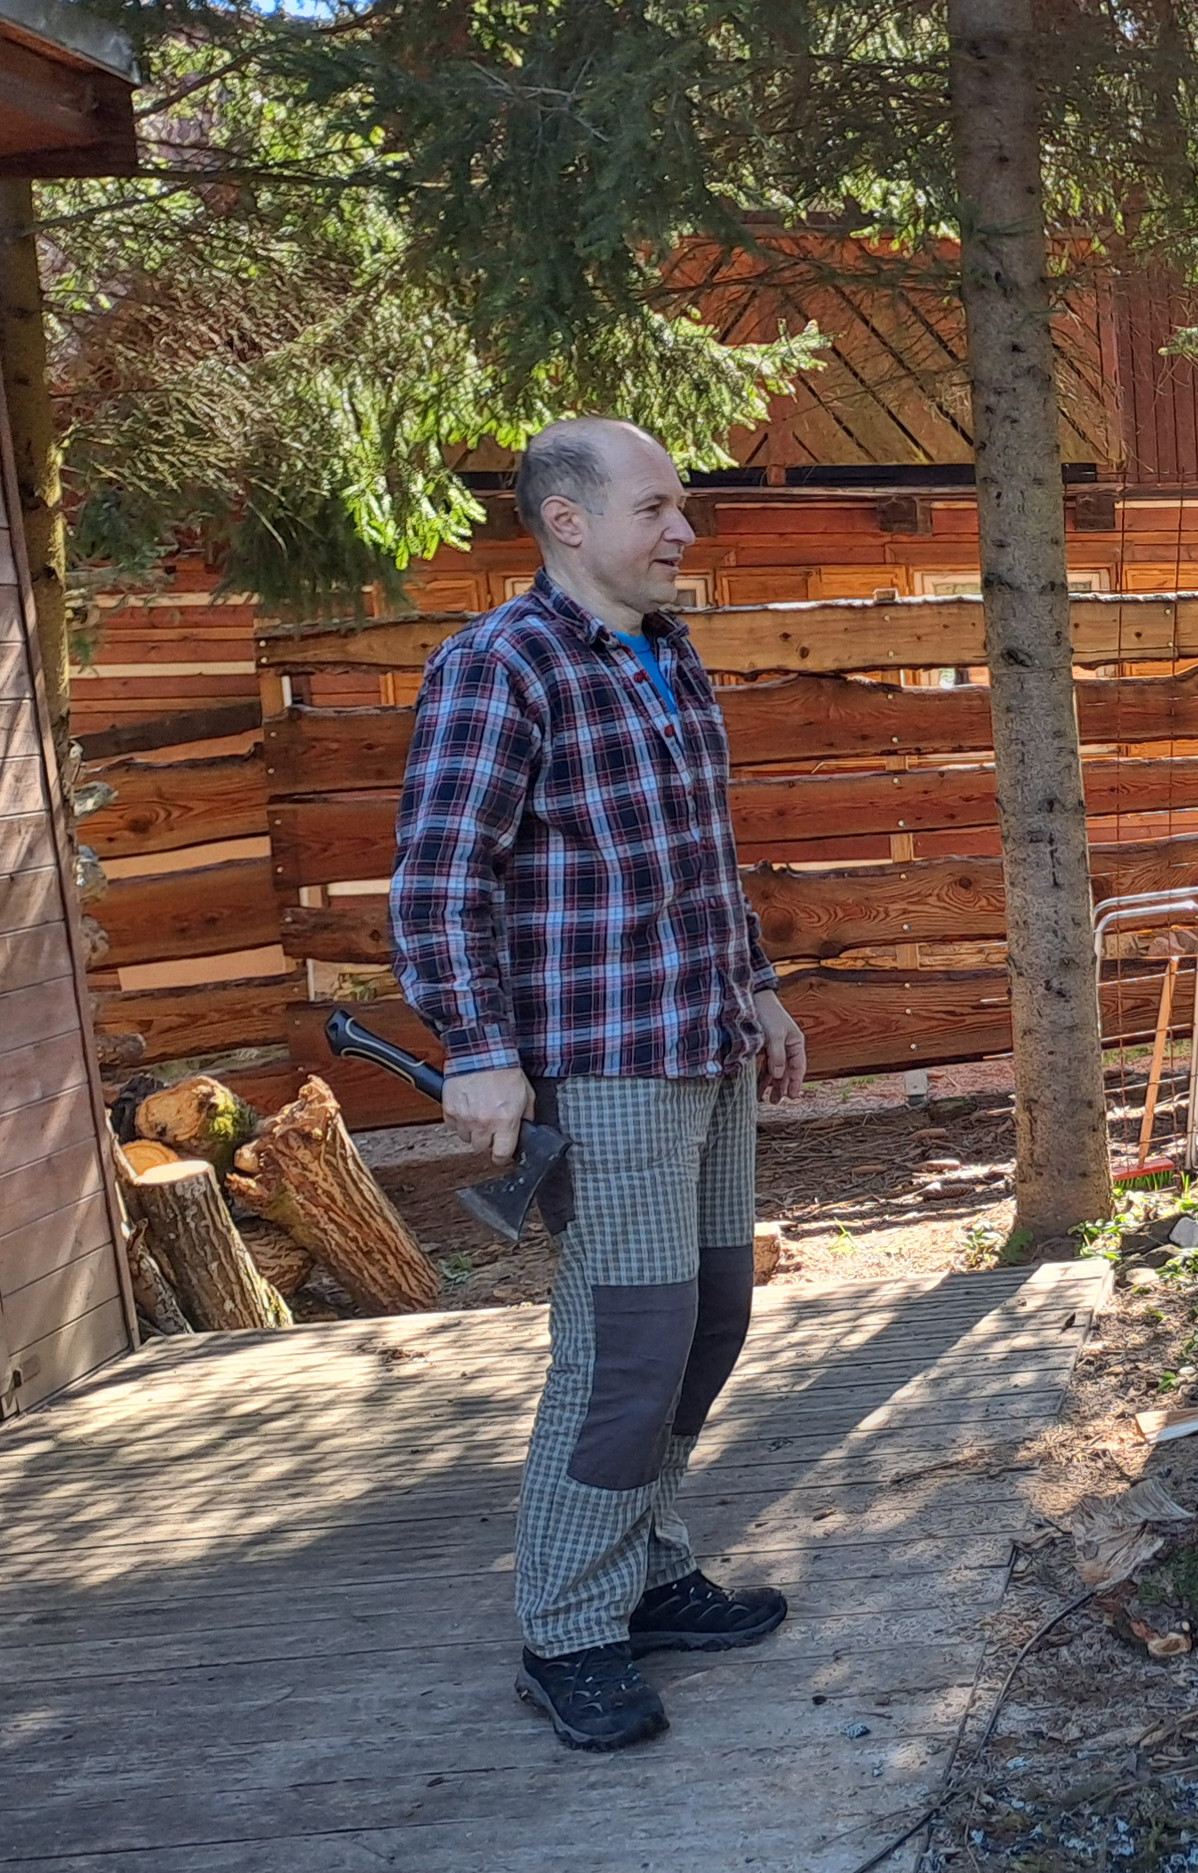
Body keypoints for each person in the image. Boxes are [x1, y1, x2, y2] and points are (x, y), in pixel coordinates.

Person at [391, 416, 812, 1752]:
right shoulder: (501, 665)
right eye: (655, 508)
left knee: (713, 1318)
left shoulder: (668, 652)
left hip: (705, 1038)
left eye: (680, 506)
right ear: (567, 521)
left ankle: (648, 1566)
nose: (684, 530)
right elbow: (442, 877)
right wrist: (477, 1047)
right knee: (628, 1344)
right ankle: (569, 1626)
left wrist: (757, 985)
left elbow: (701, 856)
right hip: (606, 1062)